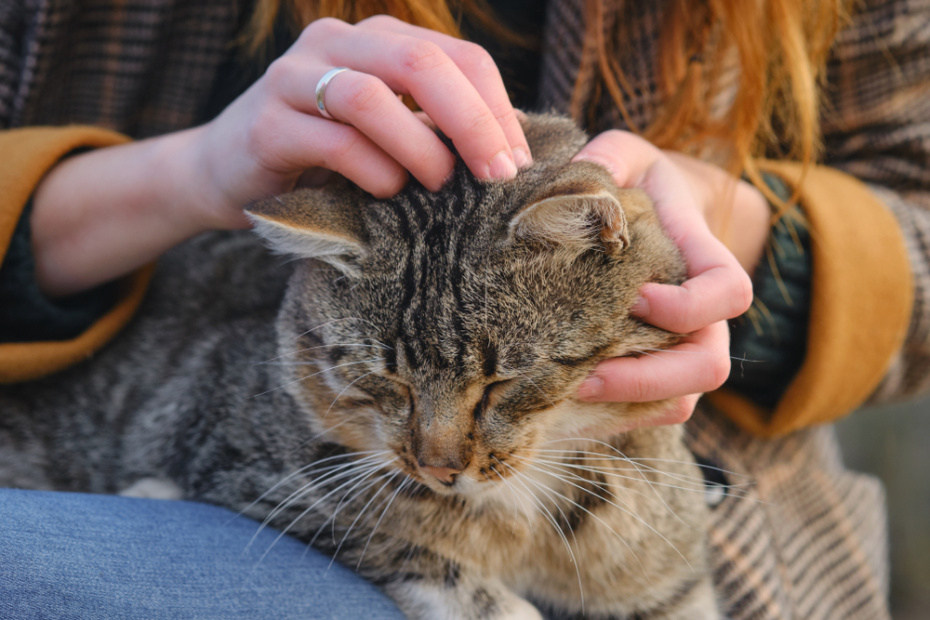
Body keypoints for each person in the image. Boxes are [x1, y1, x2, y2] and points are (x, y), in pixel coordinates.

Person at [0, 0, 925, 617]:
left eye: (491, 391)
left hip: (711, 501)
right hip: (209, 481)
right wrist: (186, 173)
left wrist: (722, 216)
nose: (440, 456)